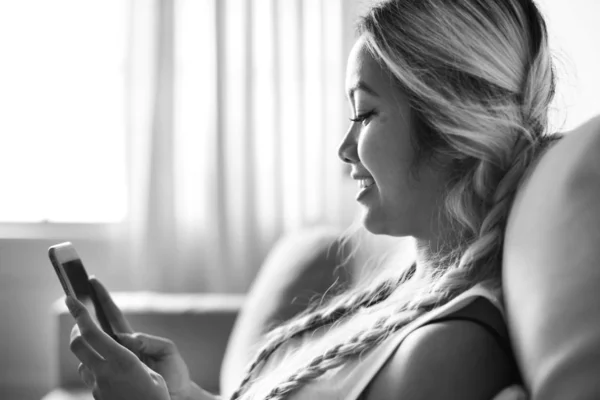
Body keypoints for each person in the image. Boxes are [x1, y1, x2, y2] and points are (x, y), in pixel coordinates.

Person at [64, 0, 592, 399]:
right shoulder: (408, 291)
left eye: (364, 115)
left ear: (453, 125)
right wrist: (178, 392)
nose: (345, 150)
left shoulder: (448, 353)